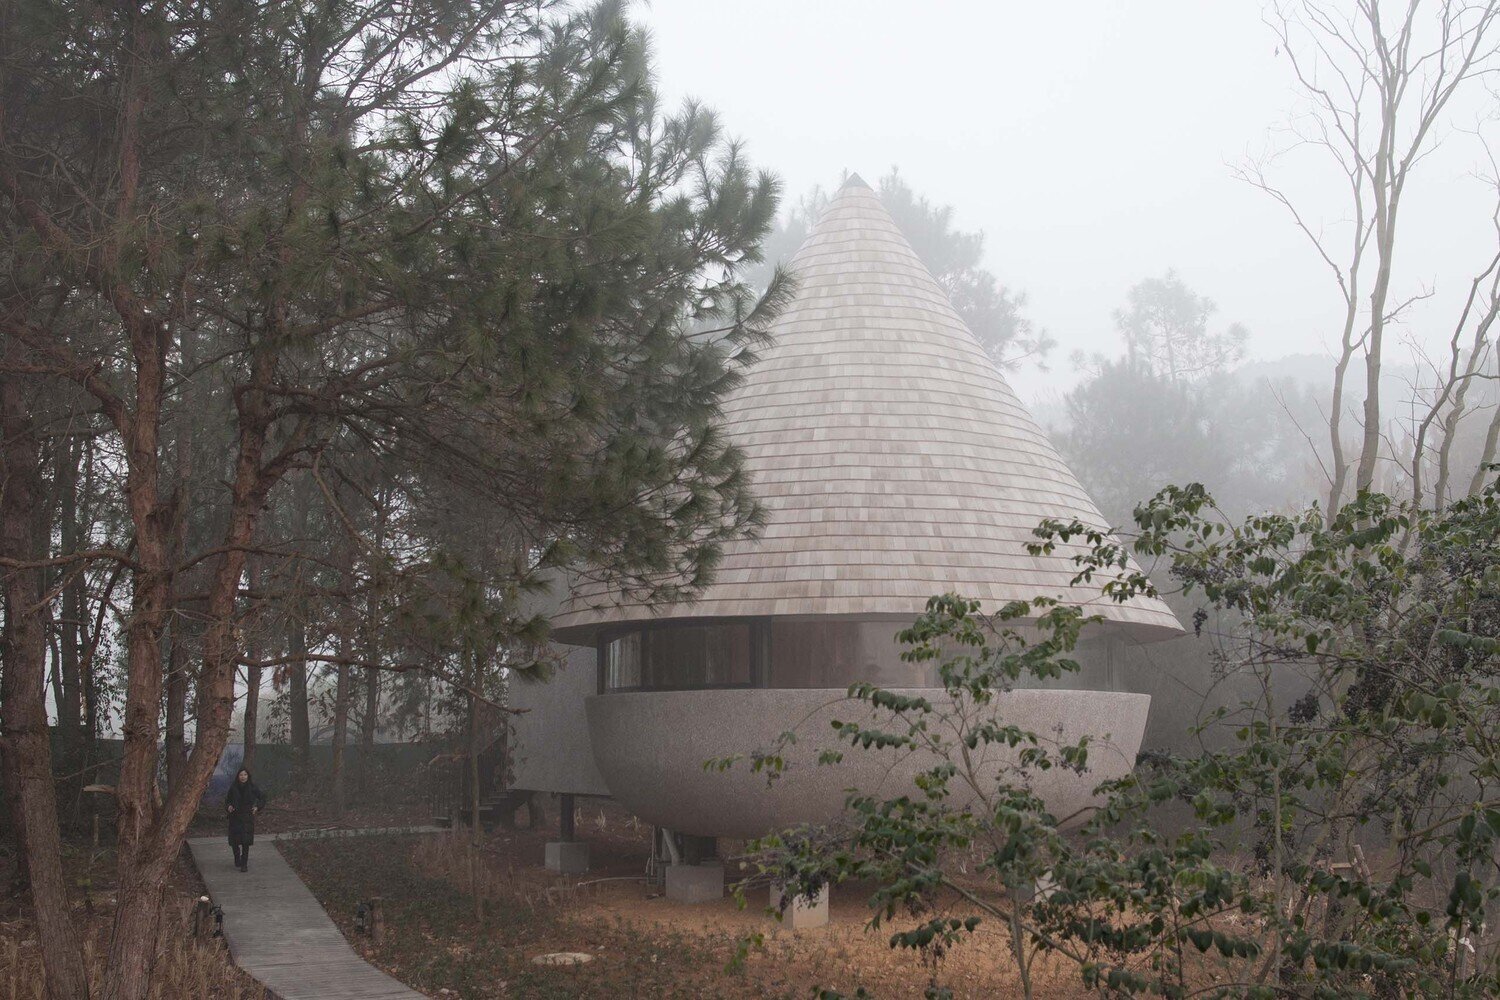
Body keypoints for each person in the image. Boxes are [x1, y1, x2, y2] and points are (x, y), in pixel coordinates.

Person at [225, 768, 266, 871]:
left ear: (248, 776)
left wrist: (257, 807)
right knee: (234, 842)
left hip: (247, 817)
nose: (243, 777)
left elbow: (262, 798)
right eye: (241, 775)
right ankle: (237, 857)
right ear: (238, 776)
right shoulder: (233, 788)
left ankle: (244, 864)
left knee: (245, 842)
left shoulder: (252, 787)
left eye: (245, 775)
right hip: (235, 817)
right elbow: (227, 801)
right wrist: (229, 806)